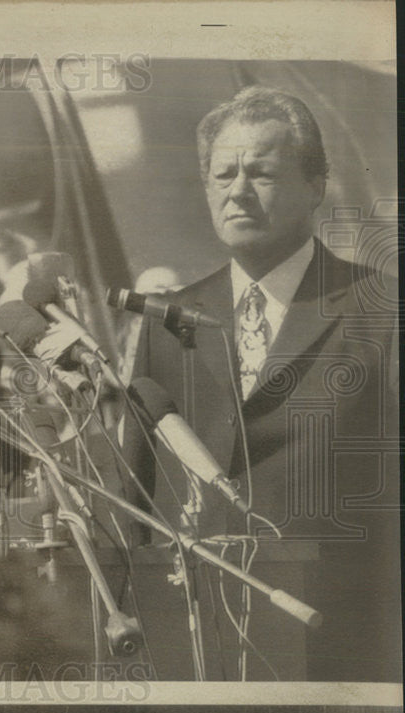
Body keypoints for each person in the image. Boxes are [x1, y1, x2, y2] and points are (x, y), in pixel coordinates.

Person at [125, 86, 400, 681]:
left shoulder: (383, 310)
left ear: (316, 187)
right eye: (222, 174)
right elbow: (138, 493)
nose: (237, 190)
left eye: (262, 173)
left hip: (344, 639)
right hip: (197, 639)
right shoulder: (166, 322)